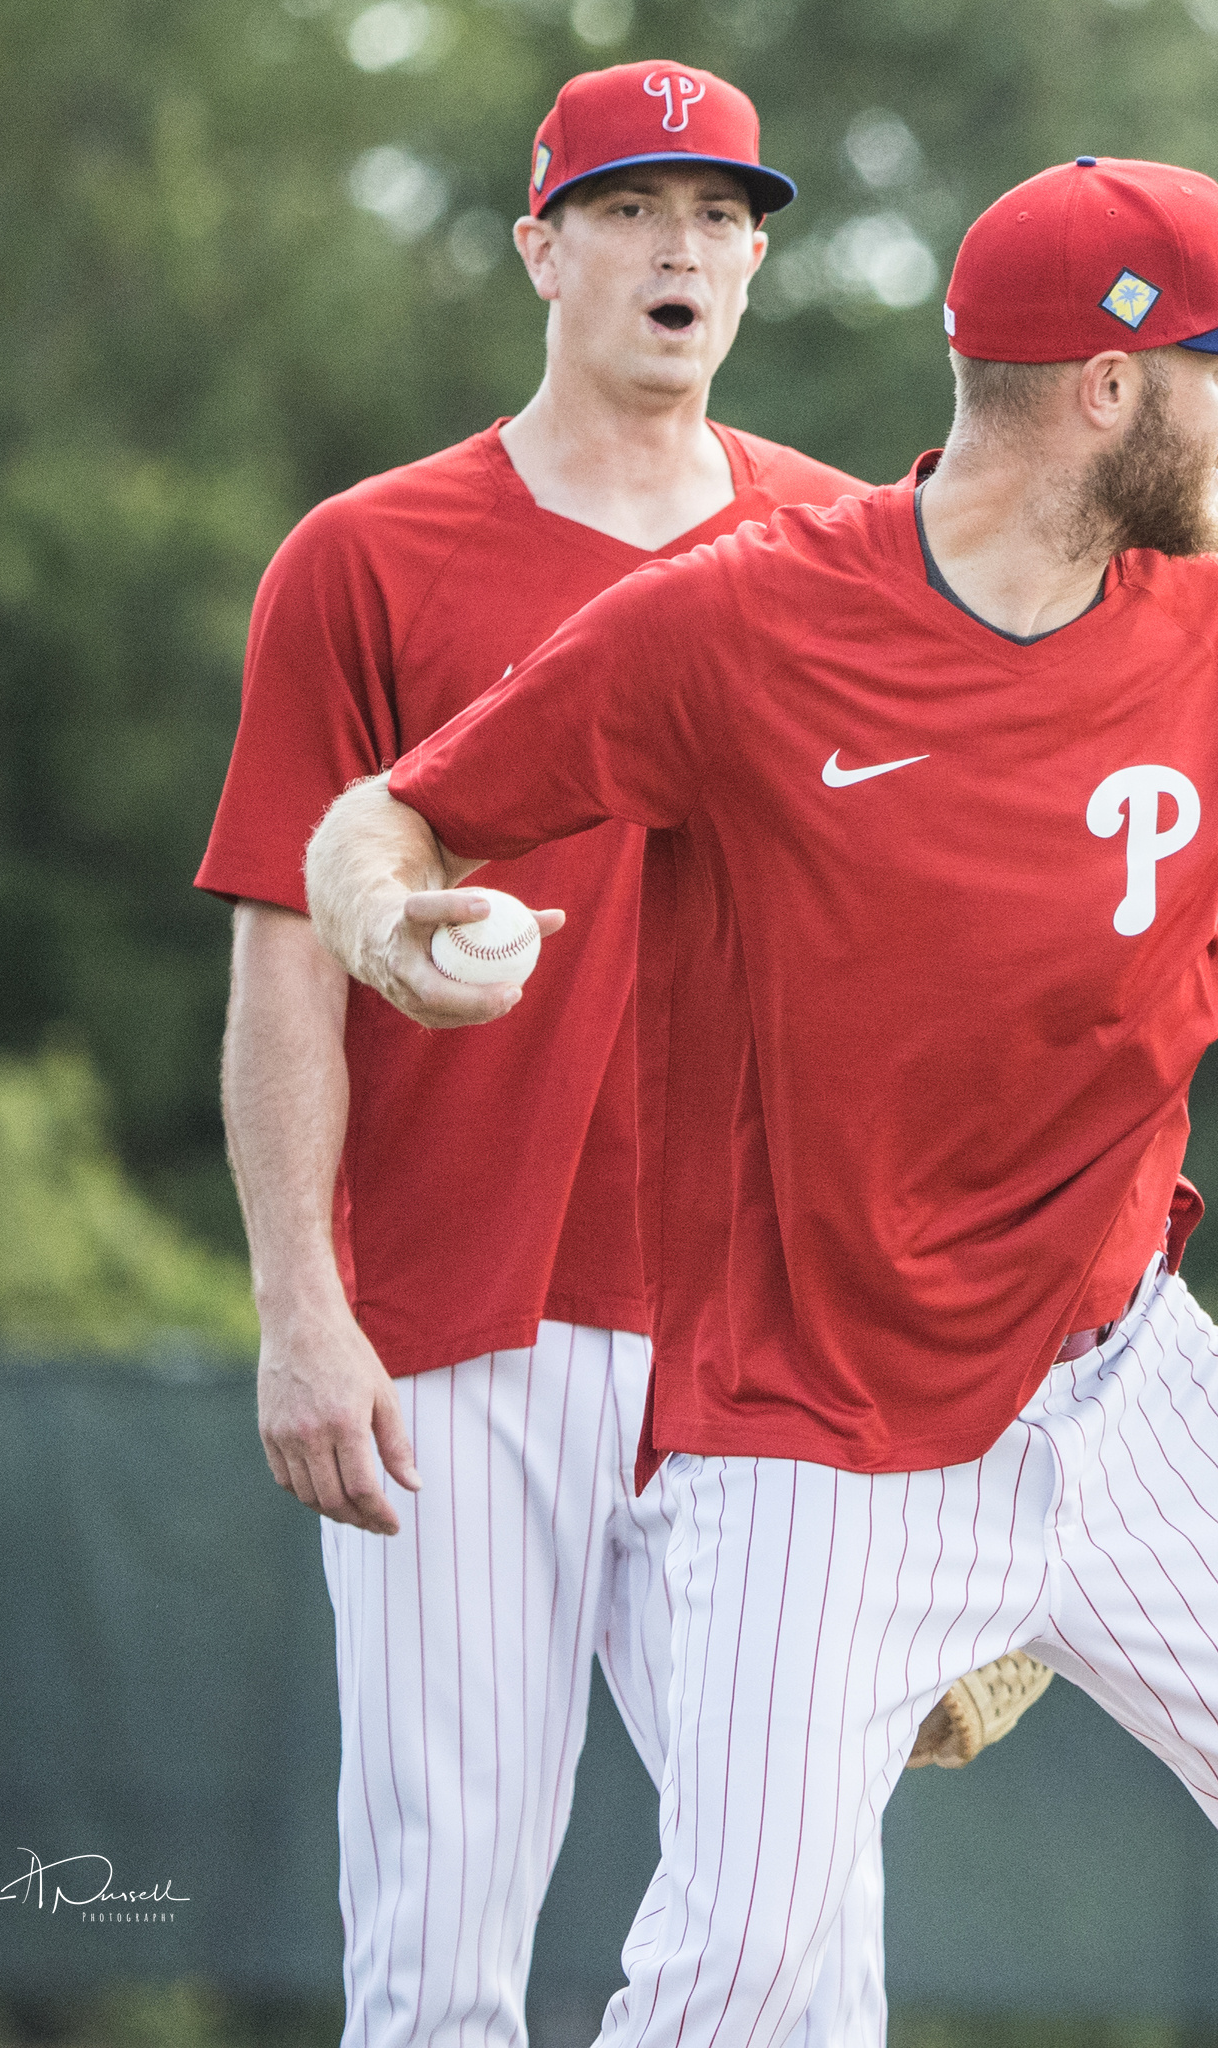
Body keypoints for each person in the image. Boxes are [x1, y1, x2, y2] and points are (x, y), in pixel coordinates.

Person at [303, 156, 1218, 2045]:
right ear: (1114, 389)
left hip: (1131, 1386)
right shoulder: (739, 624)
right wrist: (395, 934)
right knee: (731, 1982)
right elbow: (385, 818)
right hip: (815, 1445)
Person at [198, 60, 896, 2048]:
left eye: (724, 218)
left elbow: (916, 968)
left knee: (793, 1948)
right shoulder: (368, 555)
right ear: (540, 249)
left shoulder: (852, 559)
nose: (685, 247)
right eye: (632, 208)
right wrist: (299, 1309)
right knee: (438, 1950)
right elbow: (278, 961)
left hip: (755, 1343)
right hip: (449, 1325)